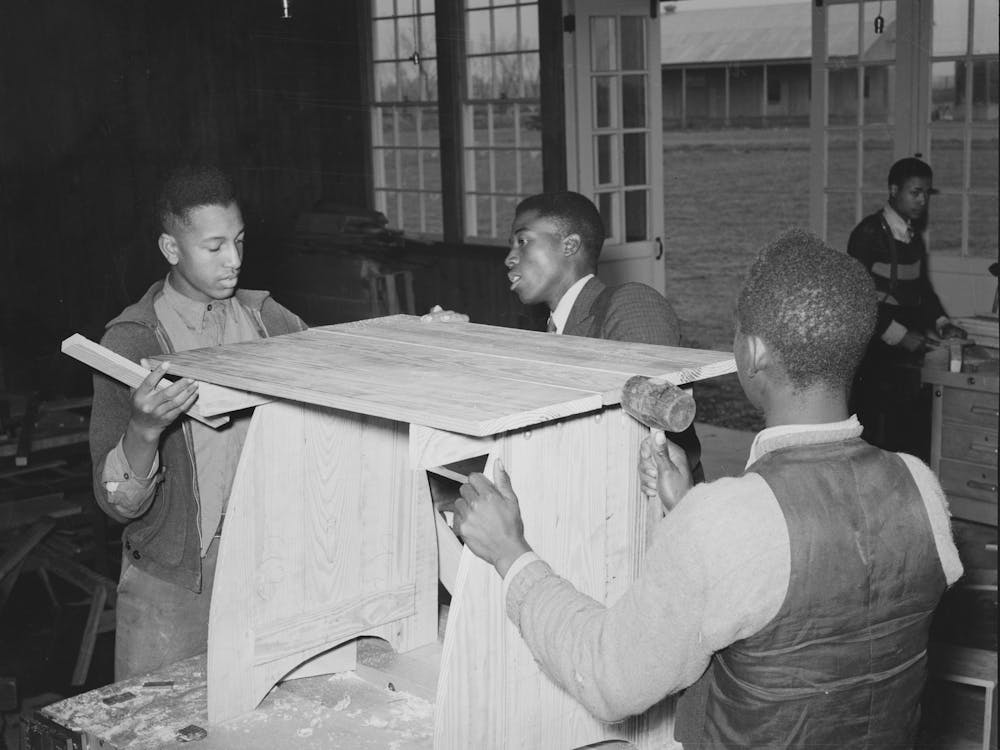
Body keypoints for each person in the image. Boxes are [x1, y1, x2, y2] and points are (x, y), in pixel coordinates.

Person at [452, 228, 962, 749]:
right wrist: (686, 510)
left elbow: (605, 678)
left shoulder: (728, 520)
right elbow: (819, 615)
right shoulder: (920, 486)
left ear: (753, 352)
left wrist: (509, 551)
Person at [89, 165, 307, 679]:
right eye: (214, 247)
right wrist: (143, 430)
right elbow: (116, 503)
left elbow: (344, 367)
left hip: (270, 563)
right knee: (156, 717)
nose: (234, 260)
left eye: (239, 240)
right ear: (171, 248)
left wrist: (420, 336)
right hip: (172, 580)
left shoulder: (270, 321)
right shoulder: (132, 341)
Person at [424, 190, 702, 480]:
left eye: (523, 241)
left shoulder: (632, 302)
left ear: (569, 245)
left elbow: (656, 436)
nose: (509, 258)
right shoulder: (548, 332)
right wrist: (462, 344)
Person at [847, 157, 965, 456]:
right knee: (875, 437)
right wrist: (899, 335)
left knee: (909, 432)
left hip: (904, 354)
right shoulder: (867, 234)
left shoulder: (913, 238)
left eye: (926, 193)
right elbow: (856, 298)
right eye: (915, 192)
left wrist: (942, 322)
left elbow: (922, 289)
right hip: (873, 353)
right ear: (893, 190)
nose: (922, 200)